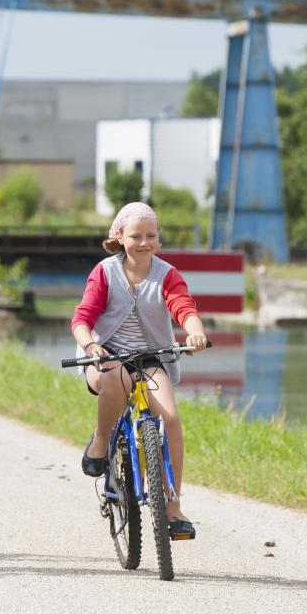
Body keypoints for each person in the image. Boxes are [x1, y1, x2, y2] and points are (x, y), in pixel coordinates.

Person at [71, 201, 208, 540]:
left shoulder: (167, 274)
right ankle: (101, 442)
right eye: (136, 236)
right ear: (119, 237)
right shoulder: (105, 271)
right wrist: (91, 346)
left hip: (150, 356)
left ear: (158, 239)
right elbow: (83, 318)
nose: (144, 242)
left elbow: (182, 306)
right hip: (104, 356)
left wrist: (195, 329)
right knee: (116, 377)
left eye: (151, 235)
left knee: (171, 419)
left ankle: (173, 508)